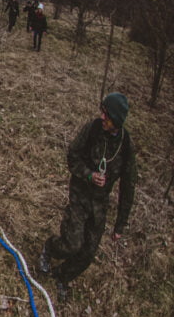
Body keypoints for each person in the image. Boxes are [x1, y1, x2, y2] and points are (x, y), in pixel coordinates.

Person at [39, 93, 137, 302]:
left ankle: (61, 277)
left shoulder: (126, 146)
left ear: (117, 121)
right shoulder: (92, 129)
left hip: (99, 205)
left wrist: (120, 225)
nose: (102, 117)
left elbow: (128, 188)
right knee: (72, 244)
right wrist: (89, 175)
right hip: (80, 194)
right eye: (102, 112)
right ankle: (49, 248)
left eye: (107, 115)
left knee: (87, 253)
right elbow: (72, 156)